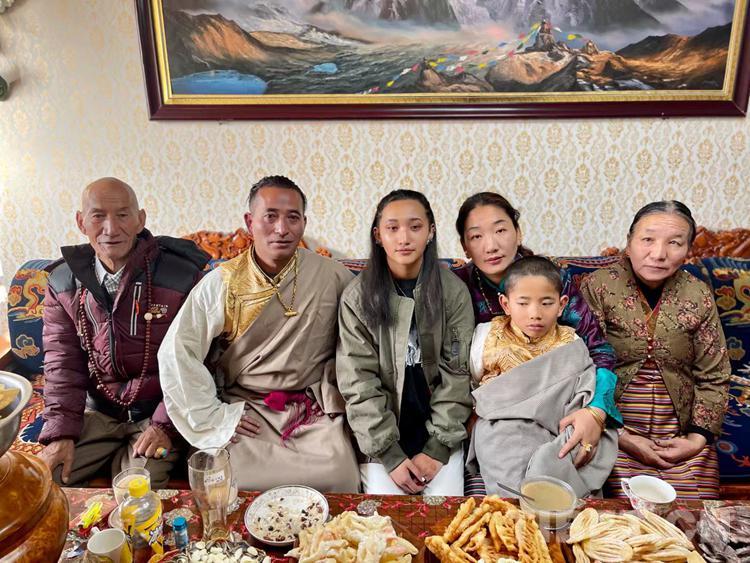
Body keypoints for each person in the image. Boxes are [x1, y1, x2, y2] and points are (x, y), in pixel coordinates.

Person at [158, 175, 359, 492]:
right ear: (250, 222)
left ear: (304, 223)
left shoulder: (332, 275)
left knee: (339, 476)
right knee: (233, 482)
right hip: (247, 408)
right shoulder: (222, 283)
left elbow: (363, 339)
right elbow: (177, 353)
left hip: (311, 408)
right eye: (270, 217)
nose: (282, 229)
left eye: (292, 218)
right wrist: (214, 416)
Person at [38, 177, 209, 487]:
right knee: (43, 480)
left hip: (157, 413)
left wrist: (164, 426)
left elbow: (199, 360)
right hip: (97, 413)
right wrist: (61, 433)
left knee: (136, 491)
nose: (111, 228)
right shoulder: (62, 281)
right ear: (81, 222)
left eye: (122, 215)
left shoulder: (183, 275)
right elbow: (62, 363)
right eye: (98, 216)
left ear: (140, 219)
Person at [454, 192, 622, 467]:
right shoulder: (456, 287)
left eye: (500, 230)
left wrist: (596, 411)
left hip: (556, 404)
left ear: (518, 233)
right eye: (476, 236)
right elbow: (449, 363)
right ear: (465, 246)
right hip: (494, 410)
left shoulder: (550, 279)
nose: (491, 245)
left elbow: (598, 350)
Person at [580, 201, 730, 499]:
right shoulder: (598, 286)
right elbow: (580, 367)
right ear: (629, 242)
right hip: (613, 427)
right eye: (647, 239)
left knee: (693, 517)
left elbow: (714, 374)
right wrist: (618, 434)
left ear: (688, 249)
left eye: (674, 243)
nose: (659, 253)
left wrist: (697, 438)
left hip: (680, 432)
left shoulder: (697, 293)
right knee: (622, 515)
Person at [337, 189, 474, 496]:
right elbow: (358, 383)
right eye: (392, 228)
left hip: (440, 433)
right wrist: (390, 455)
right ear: (378, 235)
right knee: (385, 518)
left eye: (415, 227)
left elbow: (457, 375)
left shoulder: (453, 292)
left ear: (430, 232)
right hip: (382, 438)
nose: (404, 238)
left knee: (445, 513)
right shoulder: (357, 298)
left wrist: (437, 449)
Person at [467, 256, 618, 497]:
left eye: (546, 303)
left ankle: (552, 489)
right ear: (505, 304)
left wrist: (590, 414)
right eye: (523, 303)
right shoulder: (487, 337)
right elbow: (477, 387)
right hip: (504, 426)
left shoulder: (571, 342)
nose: (535, 314)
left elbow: (583, 390)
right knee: (497, 444)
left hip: (556, 425)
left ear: (562, 304)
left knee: (575, 445)